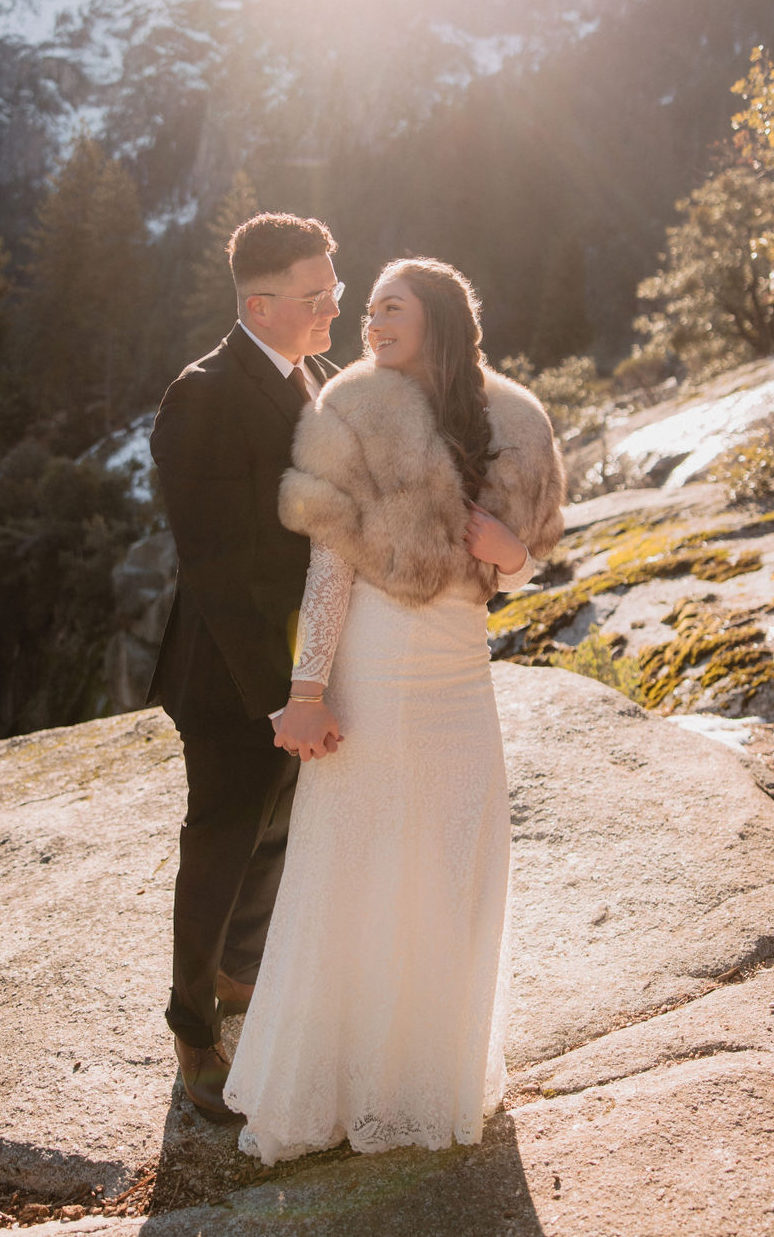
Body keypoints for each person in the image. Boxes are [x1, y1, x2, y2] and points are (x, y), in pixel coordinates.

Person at [223, 256, 566, 1164]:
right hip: (375, 663)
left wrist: (514, 555)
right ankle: (337, 1088)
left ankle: (423, 1080)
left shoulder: (512, 419)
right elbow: (328, 564)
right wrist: (308, 689)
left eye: (391, 306)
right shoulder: (352, 410)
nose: (370, 319)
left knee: (456, 856)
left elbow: (518, 565)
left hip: (461, 670)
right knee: (355, 860)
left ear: (442, 317)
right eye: (366, 306)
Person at [148, 212, 342, 1121]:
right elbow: (219, 569)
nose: (334, 306)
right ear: (259, 304)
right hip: (232, 672)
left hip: (308, 661)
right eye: (317, 295)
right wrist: (281, 699)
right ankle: (193, 1025)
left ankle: (237, 970)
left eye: (334, 289)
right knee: (222, 839)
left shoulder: (325, 378)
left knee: (282, 826)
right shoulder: (203, 396)